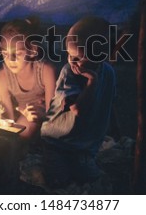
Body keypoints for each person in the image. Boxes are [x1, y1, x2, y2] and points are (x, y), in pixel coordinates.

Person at [40, 16, 116, 188]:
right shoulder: (70, 73)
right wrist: (91, 82)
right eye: (69, 55)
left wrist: (111, 130)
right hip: (58, 141)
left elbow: (108, 102)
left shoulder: (108, 73)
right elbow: (77, 109)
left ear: (99, 56)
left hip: (84, 145)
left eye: (79, 57)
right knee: (58, 181)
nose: (72, 61)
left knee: (89, 178)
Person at [0, 18, 56, 140]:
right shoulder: (1, 77)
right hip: (22, 117)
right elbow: (8, 120)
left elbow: (54, 113)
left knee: (26, 127)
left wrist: (40, 114)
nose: (11, 59)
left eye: (18, 53)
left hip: (45, 116)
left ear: (32, 50)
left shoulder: (45, 71)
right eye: (5, 53)